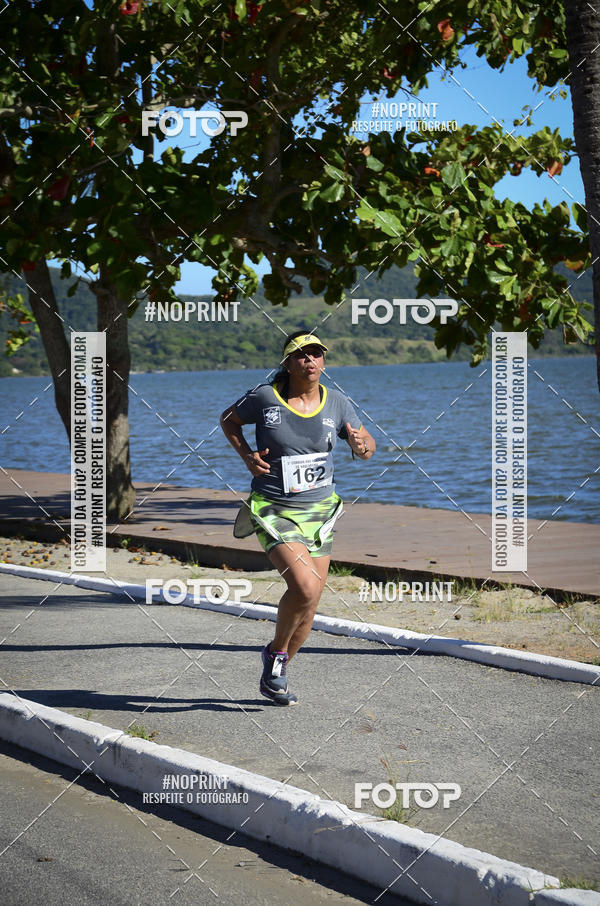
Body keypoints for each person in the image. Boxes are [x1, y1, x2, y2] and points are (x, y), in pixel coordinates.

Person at [220, 331, 375, 706]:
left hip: (320, 513)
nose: (311, 361)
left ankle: (278, 668)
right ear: (288, 363)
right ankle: (275, 652)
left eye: (317, 354)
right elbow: (228, 419)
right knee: (304, 588)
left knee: (311, 602)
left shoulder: (337, 402)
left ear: (324, 361)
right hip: (274, 507)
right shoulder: (263, 398)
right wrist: (246, 456)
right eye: (302, 355)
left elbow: (367, 444)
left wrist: (362, 446)